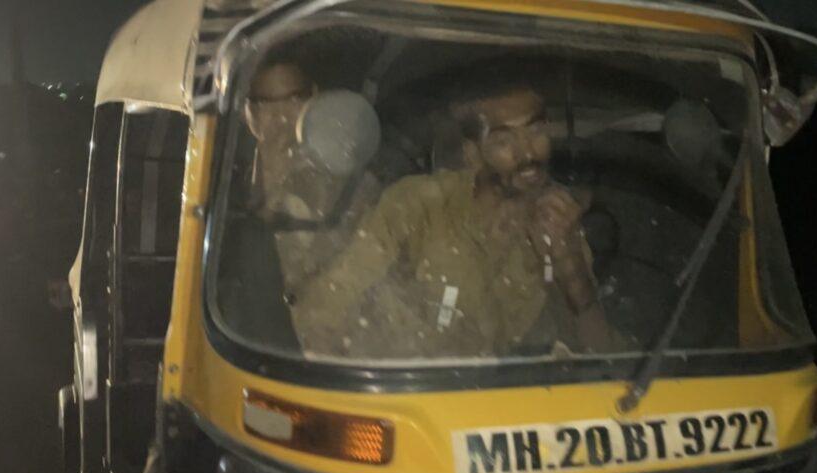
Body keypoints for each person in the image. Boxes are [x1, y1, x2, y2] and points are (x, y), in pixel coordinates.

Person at [290, 76, 617, 359]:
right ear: (471, 154)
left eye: (536, 131)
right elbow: (326, 304)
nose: (528, 153)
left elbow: (602, 359)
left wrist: (569, 263)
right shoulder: (419, 205)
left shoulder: (558, 223)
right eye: (504, 140)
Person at [243, 60, 380, 293]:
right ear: (249, 112)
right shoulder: (222, 179)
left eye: (294, 100)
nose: (281, 117)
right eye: (266, 103)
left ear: (315, 98)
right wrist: (270, 184)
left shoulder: (348, 171)